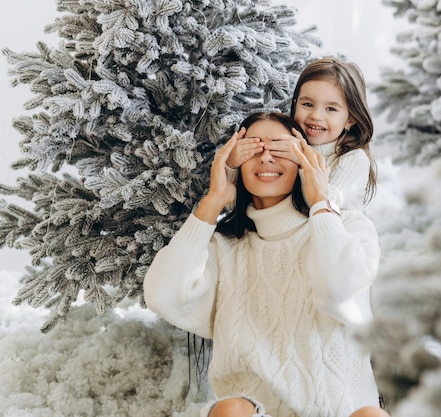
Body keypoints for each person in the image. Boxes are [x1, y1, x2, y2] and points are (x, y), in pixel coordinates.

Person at [144, 112, 390, 417]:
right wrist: (214, 199)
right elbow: (162, 296)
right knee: (232, 410)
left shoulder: (347, 226)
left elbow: (337, 292)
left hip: (343, 413)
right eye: (252, 148)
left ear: (304, 160)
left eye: (281, 147)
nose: (267, 157)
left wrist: (321, 203)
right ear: (236, 165)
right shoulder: (223, 248)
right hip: (255, 411)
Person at [225, 56, 376, 211]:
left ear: (350, 119)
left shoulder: (354, 159)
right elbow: (233, 205)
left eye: (331, 109)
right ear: (295, 104)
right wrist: (232, 165)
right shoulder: (286, 148)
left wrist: (304, 159)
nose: (316, 116)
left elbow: (327, 204)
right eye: (307, 104)